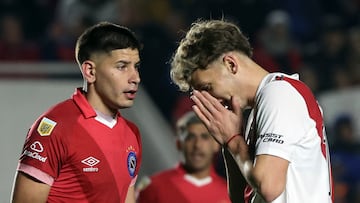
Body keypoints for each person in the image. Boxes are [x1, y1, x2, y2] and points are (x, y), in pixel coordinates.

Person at [170, 19, 333, 203]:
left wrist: (234, 141)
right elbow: (242, 198)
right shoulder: (261, 107)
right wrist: (228, 143)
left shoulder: (279, 93)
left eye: (208, 87)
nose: (211, 100)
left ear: (231, 64)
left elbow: (269, 187)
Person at [11, 22, 143, 203]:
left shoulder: (132, 133)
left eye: (136, 66)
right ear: (90, 71)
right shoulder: (56, 127)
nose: (135, 77)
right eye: (122, 66)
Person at [137, 111, 231, 203]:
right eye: (190, 137)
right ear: (178, 144)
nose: (197, 145)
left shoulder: (231, 193)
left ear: (216, 144)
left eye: (204, 137)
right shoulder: (153, 187)